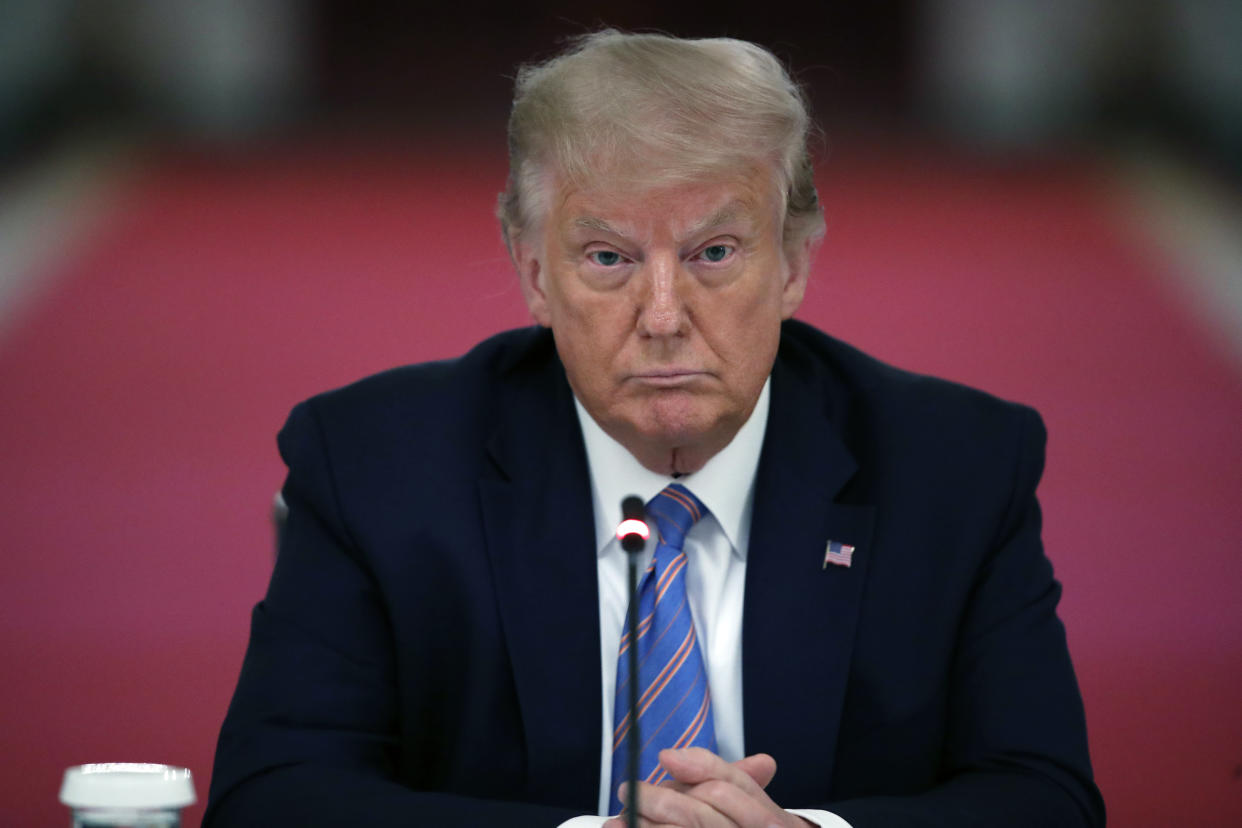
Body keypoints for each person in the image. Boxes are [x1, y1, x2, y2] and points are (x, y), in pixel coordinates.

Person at [205, 30, 1105, 828]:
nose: (664, 314)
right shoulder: (374, 466)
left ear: (792, 265)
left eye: (715, 253)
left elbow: (1043, 798)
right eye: (609, 258)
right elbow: (273, 797)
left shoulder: (955, 468)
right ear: (532, 273)